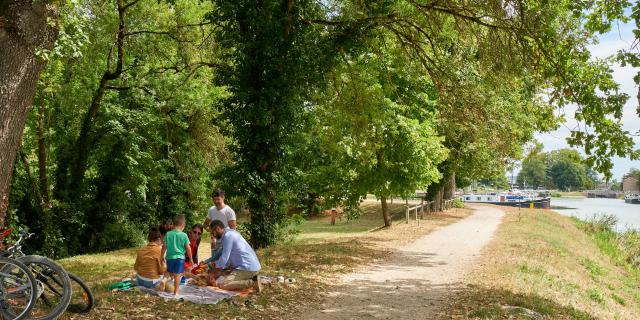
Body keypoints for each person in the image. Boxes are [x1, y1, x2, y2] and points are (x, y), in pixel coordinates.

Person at [208, 219, 262, 292]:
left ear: (218, 228)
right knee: (224, 275)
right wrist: (219, 269)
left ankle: (252, 282)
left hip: (247, 268)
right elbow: (227, 260)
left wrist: (214, 272)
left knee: (223, 284)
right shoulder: (231, 233)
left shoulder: (228, 236)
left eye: (213, 232)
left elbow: (224, 258)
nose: (213, 235)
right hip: (252, 267)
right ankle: (252, 278)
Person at [202, 189, 236, 267]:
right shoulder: (211, 210)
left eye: (218, 199)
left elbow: (233, 230)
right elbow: (205, 225)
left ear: (223, 197)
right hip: (215, 242)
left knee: (223, 263)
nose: (216, 201)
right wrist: (212, 233)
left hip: (226, 241)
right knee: (213, 261)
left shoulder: (229, 211)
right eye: (214, 199)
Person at [161, 215, 193, 295]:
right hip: (179, 259)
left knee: (168, 271)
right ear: (183, 225)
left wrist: (161, 256)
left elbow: (164, 247)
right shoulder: (184, 235)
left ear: (174, 224)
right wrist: (191, 258)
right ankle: (176, 292)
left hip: (169, 257)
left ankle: (164, 280)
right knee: (177, 275)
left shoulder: (168, 234)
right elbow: (188, 248)